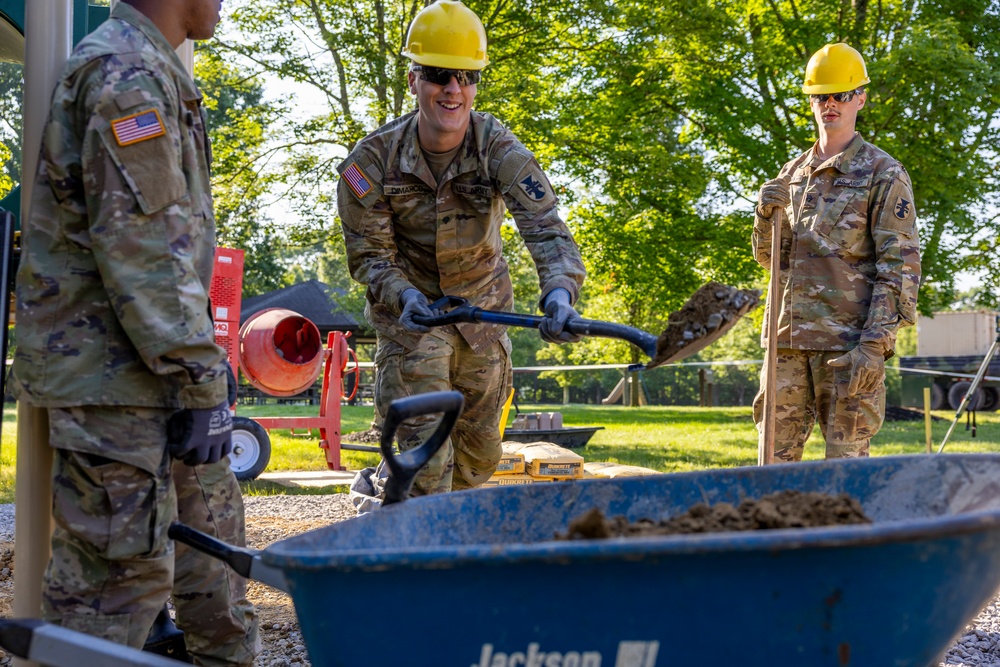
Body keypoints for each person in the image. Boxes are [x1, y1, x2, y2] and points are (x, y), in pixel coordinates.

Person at [10, 1, 259, 664]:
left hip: (162, 374)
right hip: (117, 384)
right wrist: (202, 377)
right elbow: (145, 250)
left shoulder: (152, 69)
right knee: (111, 600)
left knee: (218, 573)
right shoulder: (125, 74)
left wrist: (201, 374)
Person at [338, 0, 586, 500]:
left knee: (478, 458)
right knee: (426, 458)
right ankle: (419, 560)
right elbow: (371, 256)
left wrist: (560, 292)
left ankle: (389, 495)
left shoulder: (496, 146)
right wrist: (404, 296)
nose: (453, 89)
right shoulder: (370, 162)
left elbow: (544, 226)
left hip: (482, 318)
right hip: (414, 322)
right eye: (437, 74)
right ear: (413, 80)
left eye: (466, 77)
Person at [752, 43, 921, 462]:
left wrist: (874, 345)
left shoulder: (884, 173)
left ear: (860, 97)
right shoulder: (792, 174)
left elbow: (898, 268)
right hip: (786, 344)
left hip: (847, 346)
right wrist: (762, 216)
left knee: (844, 473)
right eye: (821, 95)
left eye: (841, 95)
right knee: (771, 466)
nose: (830, 104)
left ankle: (845, 531)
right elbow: (773, 260)